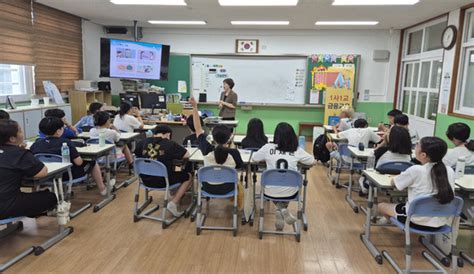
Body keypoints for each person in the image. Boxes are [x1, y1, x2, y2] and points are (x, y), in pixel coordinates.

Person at [378, 137, 455, 230]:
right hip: (441, 222)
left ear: (423, 155)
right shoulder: (450, 170)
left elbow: (394, 183)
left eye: (417, 145)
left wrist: (396, 177)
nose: (415, 147)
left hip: (415, 221)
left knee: (381, 206)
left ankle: (397, 224)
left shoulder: (416, 170)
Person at [252, 122, 315, 231]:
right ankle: (283, 209)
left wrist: (267, 158)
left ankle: (280, 209)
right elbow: (312, 161)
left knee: (272, 189)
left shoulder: (268, 148)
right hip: (291, 192)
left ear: (276, 135)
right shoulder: (297, 150)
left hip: (269, 191)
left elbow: (254, 158)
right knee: (287, 188)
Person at [31, 117, 107, 196]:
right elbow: (78, 162)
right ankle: (102, 189)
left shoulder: (36, 144)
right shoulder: (65, 143)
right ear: (58, 131)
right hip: (67, 175)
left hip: (47, 176)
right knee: (92, 162)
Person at [0, 119, 57, 219]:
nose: (22, 133)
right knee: (50, 197)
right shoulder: (19, 153)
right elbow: (42, 172)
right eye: (20, 131)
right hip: (6, 206)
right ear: (12, 139)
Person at [135, 125, 193, 217]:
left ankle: (174, 192)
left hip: (145, 180)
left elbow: (137, 154)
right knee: (188, 176)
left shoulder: (143, 142)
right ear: (168, 134)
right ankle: (173, 203)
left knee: (173, 171)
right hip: (163, 181)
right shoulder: (170, 144)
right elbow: (186, 155)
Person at [190, 97, 244, 194]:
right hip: (228, 188)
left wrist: (194, 107)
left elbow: (198, 129)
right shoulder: (234, 153)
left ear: (213, 138)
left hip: (208, 187)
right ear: (229, 138)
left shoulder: (206, 149)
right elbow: (239, 166)